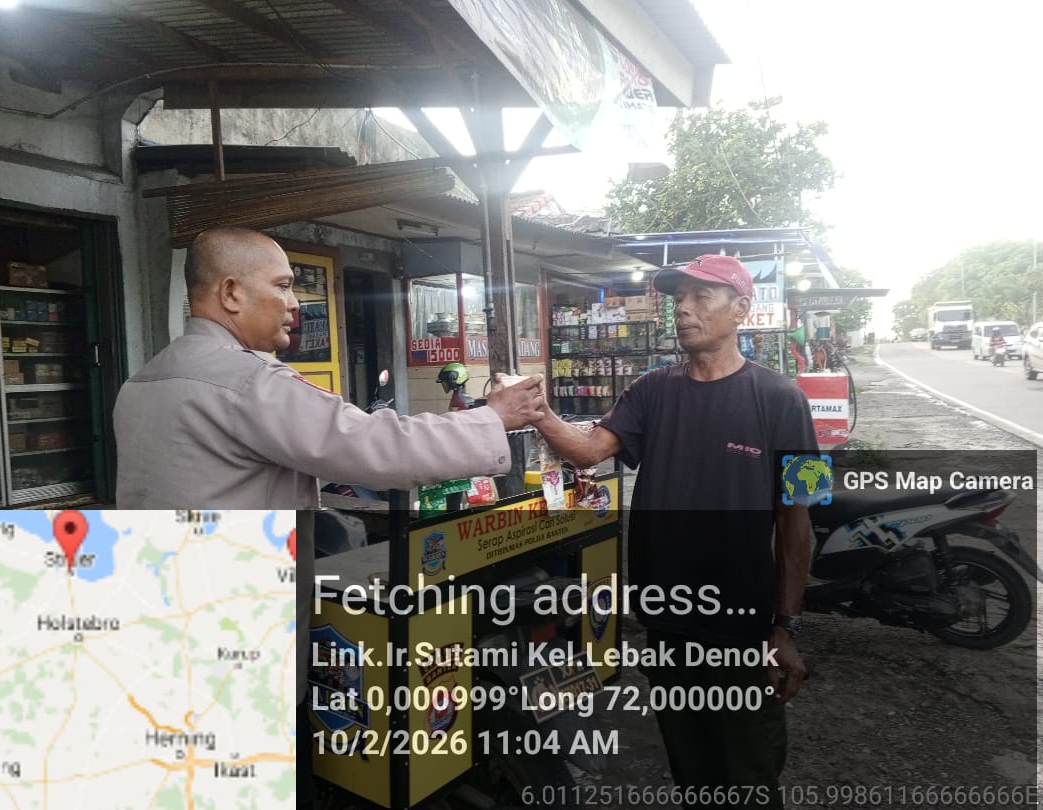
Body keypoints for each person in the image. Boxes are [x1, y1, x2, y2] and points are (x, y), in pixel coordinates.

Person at [113, 226, 546, 806]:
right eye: (282, 286)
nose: (295, 303)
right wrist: (492, 418)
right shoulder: (247, 381)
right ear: (231, 293)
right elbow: (377, 446)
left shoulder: (142, 382)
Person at [532, 255, 815, 809]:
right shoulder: (650, 391)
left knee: (748, 770)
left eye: (700, 296)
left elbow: (799, 519)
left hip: (742, 629)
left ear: (741, 309)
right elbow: (588, 452)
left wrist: (786, 625)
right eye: (678, 298)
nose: (683, 309)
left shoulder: (784, 400)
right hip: (666, 623)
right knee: (690, 764)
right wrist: (538, 412)